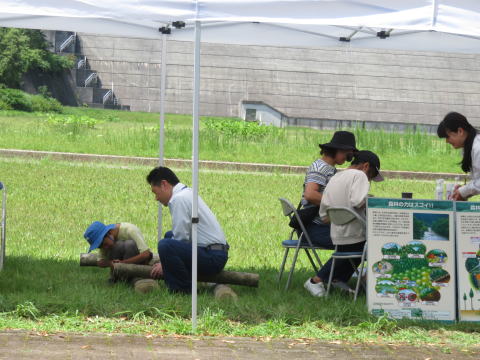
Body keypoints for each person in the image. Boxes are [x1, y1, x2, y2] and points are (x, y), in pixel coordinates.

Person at [304, 150, 384, 297]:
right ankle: (316, 280)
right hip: (354, 232)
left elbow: (324, 212)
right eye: (371, 176)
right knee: (375, 245)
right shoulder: (360, 175)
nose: (370, 180)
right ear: (366, 166)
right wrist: (370, 200)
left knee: (350, 252)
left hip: (337, 231)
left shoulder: (336, 176)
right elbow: (357, 201)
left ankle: (337, 279)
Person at [146, 166, 228, 294]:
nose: (156, 198)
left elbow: (181, 237)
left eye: (155, 192)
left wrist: (163, 264)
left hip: (212, 257)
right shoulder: (186, 193)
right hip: (215, 253)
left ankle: (181, 290)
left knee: (165, 245)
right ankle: (183, 281)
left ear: (164, 184)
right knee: (169, 236)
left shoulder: (179, 199)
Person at [300, 131, 357, 249]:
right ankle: (332, 269)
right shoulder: (321, 168)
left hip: (321, 226)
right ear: (338, 150)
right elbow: (310, 194)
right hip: (315, 229)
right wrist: (338, 204)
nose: (347, 159)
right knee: (355, 243)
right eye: (347, 155)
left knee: (356, 240)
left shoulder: (329, 168)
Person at [437, 112, 480, 201]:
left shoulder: (478, 148)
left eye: (447, 137)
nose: (446, 141)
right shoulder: (469, 148)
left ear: (460, 131)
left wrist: (464, 191)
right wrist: (465, 190)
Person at [84, 221, 153, 268]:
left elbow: (146, 254)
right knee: (117, 246)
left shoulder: (130, 230)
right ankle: (118, 277)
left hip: (138, 266)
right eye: (100, 247)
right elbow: (100, 262)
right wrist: (111, 263)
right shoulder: (105, 241)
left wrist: (123, 263)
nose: (105, 248)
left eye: (104, 244)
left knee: (128, 244)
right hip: (120, 268)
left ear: (108, 233)